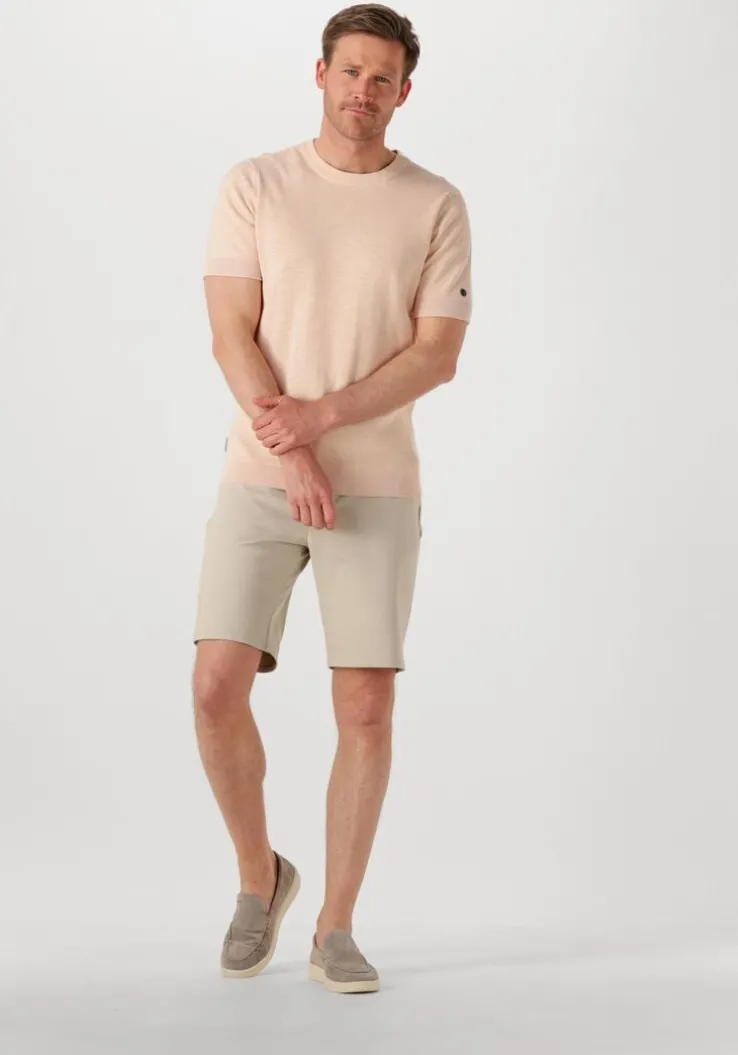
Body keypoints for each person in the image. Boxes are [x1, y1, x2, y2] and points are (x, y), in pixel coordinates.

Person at [191, 2, 472, 994]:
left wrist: (323, 419)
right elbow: (231, 332)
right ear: (321, 75)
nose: (364, 90)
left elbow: (436, 355)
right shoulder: (256, 184)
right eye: (350, 71)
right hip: (261, 474)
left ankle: (337, 926)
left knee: (365, 706)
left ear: (404, 91)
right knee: (215, 684)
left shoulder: (435, 203)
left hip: (378, 485)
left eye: (382, 77)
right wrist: (295, 444)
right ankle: (260, 877)